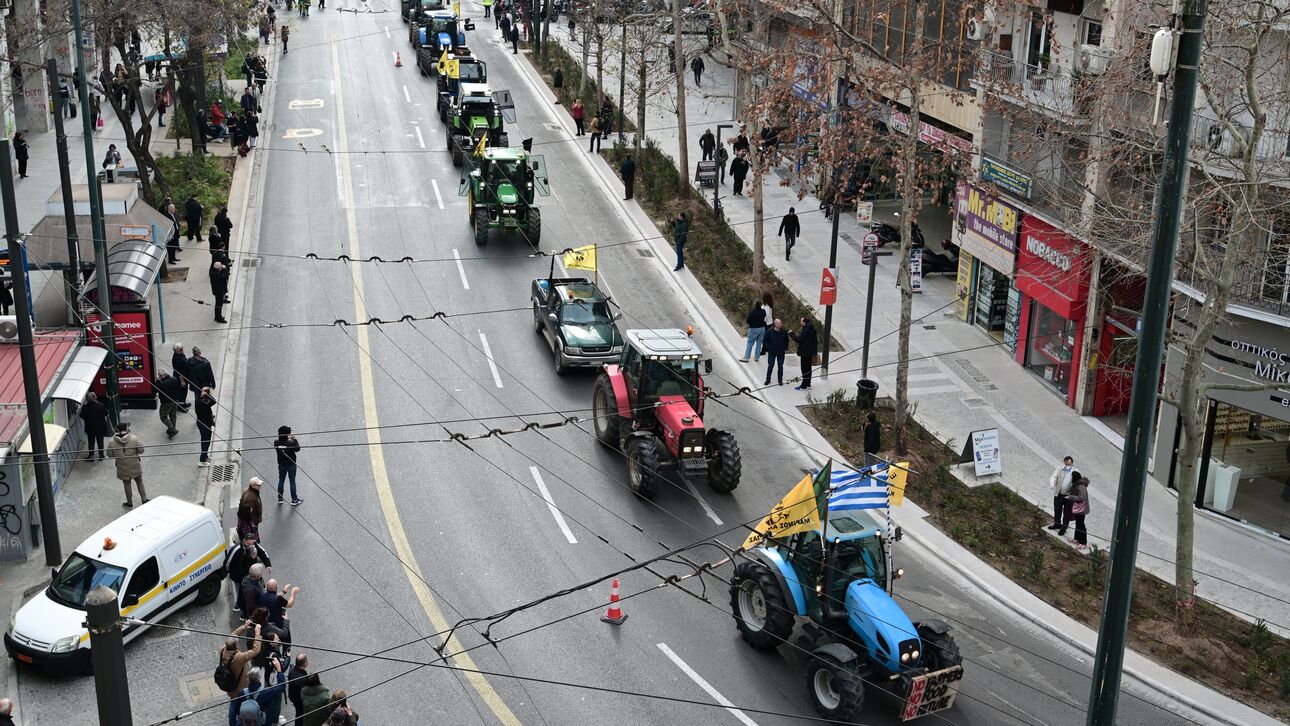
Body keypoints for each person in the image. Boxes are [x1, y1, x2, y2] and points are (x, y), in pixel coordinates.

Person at [219, 623, 263, 723]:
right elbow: (256, 650)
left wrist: (243, 627)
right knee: (240, 706)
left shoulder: (222, 650)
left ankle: (232, 721)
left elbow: (231, 637)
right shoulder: (239, 657)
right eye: (238, 643)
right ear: (236, 646)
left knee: (233, 703)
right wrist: (257, 633)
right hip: (240, 688)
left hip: (230, 687)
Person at [226, 534, 272, 614]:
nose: (251, 546)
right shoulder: (237, 550)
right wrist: (230, 573)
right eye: (249, 544)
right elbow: (228, 563)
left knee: (245, 593)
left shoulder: (254, 545)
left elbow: (262, 553)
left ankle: (240, 607)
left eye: (252, 543)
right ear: (244, 541)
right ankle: (240, 608)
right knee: (240, 593)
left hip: (250, 574)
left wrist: (268, 564)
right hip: (238, 577)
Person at [107, 422, 147, 508]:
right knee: (139, 480)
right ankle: (144, 499)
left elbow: (109, 454)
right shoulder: (134, 438)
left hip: (122, 466)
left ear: (118, 430)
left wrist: (118, 455)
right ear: (126, 429)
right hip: (135, 464)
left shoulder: (112, 442)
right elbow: (141, 450)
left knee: (126, 483)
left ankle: (129, 503)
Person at [274, 426, 303, 505]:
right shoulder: (291, 442)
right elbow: (298, 449)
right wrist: (294, 438)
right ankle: (294, 500)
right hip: (291, 465)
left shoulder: (276, 442)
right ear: (287, 434)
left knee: (281, 481)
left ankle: (280, 498)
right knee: (292, 482)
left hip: (281, 465)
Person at [1048, 456, 1075, 534]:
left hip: (1068, 496)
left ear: (1072, 463)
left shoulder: (1075, 471)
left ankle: (1064, 527)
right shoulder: (1060, 468)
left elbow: (1078, 483)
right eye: (1066, 464)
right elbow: (1054, 476)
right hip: (1059, 494)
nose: (1067, 466)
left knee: (1067, 513)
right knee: (1057, 510)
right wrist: (1052, 483)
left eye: (1069, 464)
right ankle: (1057, 523)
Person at [80, 391, 110, 460]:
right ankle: (101, 455)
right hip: (100, 427)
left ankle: (91, 455)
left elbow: (81, 416)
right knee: (100, 441)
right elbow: (106, 413)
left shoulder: (85, 407)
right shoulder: (101, 405)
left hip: (89, 428)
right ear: (95, 397)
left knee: (91, 441)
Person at [790, 317, 818, 390]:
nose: (800, 322)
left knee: (805, 369)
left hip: (805, 353)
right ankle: (808, 384)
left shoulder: (806, 330)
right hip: (810, 353)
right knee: (809, 369)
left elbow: (799, 340)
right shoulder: (812, 329)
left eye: (801, 321)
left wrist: (791, 334)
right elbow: (815, 341)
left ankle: (803, 386)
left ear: (804, 322)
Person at [156, 369, 184, 438]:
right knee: (173, 415)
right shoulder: (175, 379)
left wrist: (157, 381)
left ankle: (172, 428)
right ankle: (172, 429)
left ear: (161, 376)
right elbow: (179, 388)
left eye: (159, 376)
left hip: (166, 403)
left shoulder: (162, 384)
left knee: (163, 417)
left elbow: (154, 390)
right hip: (175, 400)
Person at [1067, 475, 1090, 550]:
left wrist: (1070, 497)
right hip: (1078, 508)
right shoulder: (1076, 484)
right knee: (1078, 523)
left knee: (1081, 525)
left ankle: (1083, 543)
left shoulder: (1080, 486)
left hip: (1081, 509)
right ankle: (1077, 539)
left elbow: (1081, 497)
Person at [762, 319, 789, 386]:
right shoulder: (769, 331)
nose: (781, 324)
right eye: (779, 323)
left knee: (780, 366)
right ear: (775, 324)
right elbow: (765, 340)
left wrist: (785, 348)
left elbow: (787, 341)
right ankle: (768, 380)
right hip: (772, 352)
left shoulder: (784, 332)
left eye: (781, 323)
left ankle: (780, 380)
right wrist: (769, 348)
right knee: (770, 365)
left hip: (781, 353)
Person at [196, 387, 217, 466]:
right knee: (205, 441)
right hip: (203, 424)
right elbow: (214, 401)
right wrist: (207, 395)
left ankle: (205, 456)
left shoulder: (204, 400)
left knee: (207, 441)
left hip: (206, 423)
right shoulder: (200, 401)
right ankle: (202, 460)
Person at [288, 654, 310, 726]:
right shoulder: (301, 679)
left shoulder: (292, 669)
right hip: (299, 700)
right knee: (300, 715)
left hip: (292, 696)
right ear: (305, 664)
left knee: (299, 713)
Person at [171, 343, 191, 409]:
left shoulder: (180, 354)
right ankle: (181, 406)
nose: (182, 350)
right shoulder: (177, 359)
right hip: (180, 378)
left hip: (184, 376)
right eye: (181, 349)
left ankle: (183, 403)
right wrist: (182, 381)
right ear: (176, 350)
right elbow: (178, 372)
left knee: (184, 391)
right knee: (182, 392)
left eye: (182, 348)